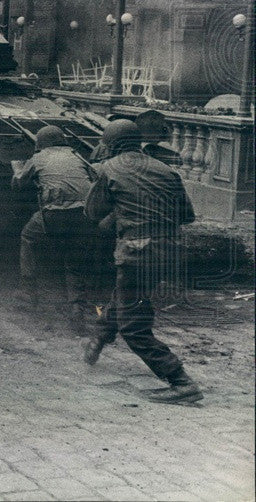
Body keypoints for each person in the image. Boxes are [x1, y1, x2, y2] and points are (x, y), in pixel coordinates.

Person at [83, 120, 202, 404]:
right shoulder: (166, 169)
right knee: (127, 297)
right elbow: (187, 216)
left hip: (137, 253)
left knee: (133, 325)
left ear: (110, 144)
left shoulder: (109, 169)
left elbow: (92, 213)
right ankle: (99, 336)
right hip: (170, 252)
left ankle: (180, 380)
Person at [11, 125, 97, 333]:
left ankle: (27, 289)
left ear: (40, 142)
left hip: (54, 214)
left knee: (28, 237)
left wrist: (17, 169)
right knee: (74, 261)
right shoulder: (76, 155)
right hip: (85, 214)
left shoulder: (39, 158)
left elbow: (18, 185)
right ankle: (77, 309)